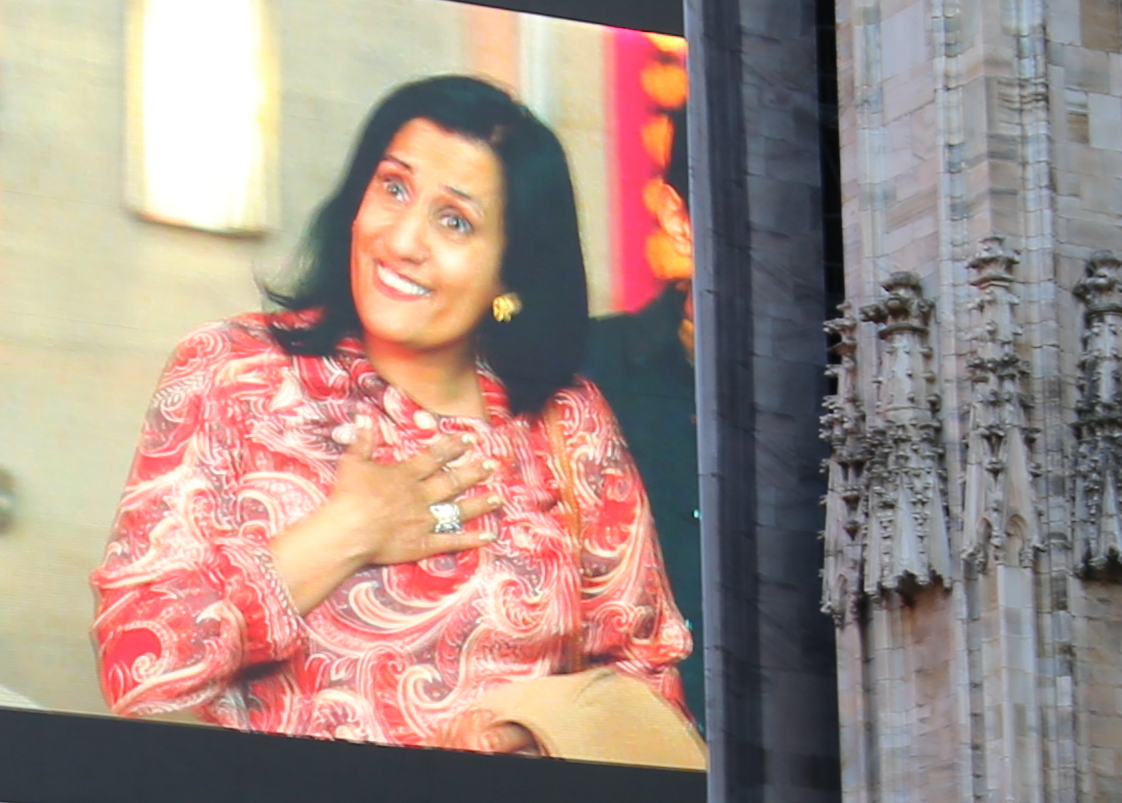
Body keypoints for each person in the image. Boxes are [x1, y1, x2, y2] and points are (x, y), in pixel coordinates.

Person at [90, 72, 697, 760]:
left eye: (455, 221)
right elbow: (140, 665)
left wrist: (540, 738)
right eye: (394, 187)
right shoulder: (232, 372)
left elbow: (648, 684)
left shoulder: (565, 422)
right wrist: (347, 532)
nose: (404, 239)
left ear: (509, 273)